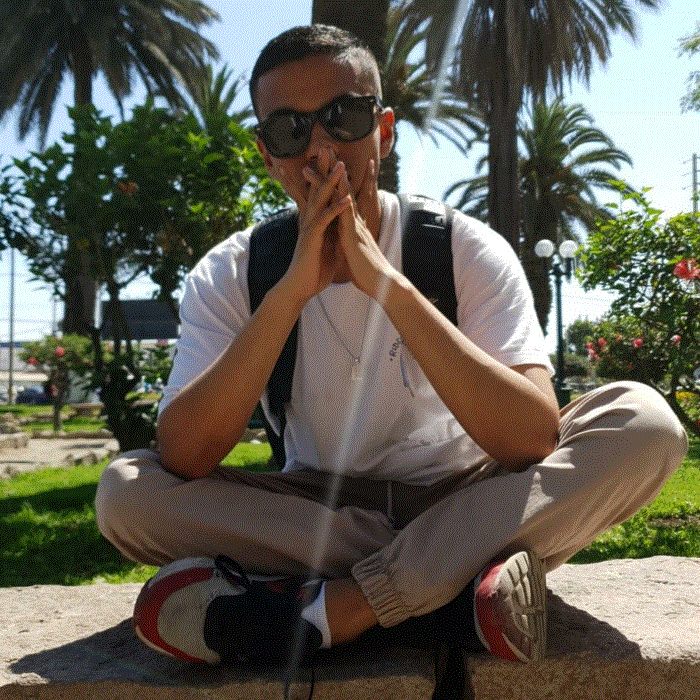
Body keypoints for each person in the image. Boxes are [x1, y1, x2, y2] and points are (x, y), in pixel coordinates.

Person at [95, 25, 688, 670]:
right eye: (290, 130)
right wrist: (290, 292)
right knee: (127, 493)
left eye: (344, 119)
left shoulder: (463, 248)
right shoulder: (235, 271)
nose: (320, 150)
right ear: (267, 153)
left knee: (645, 424)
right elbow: (185, 454)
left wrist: (389, 286)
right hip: (321, 515)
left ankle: (336, 608)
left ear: (384, 130)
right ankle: (451, 582)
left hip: (464, 493)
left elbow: (530, 438)